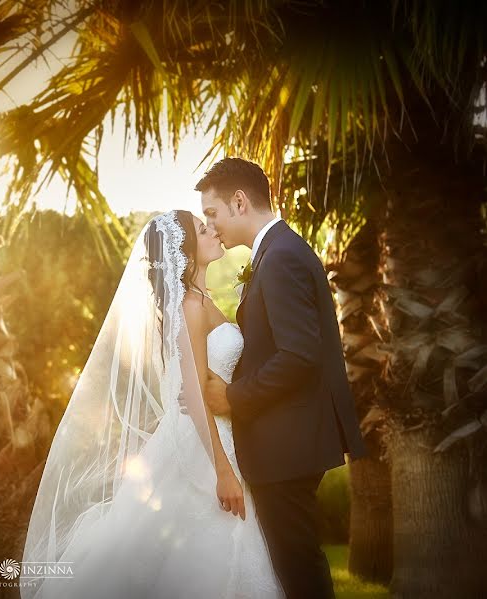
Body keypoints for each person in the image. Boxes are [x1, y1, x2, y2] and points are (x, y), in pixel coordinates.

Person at [20, 207, 284, 599]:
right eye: (201, 228)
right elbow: (193, 395)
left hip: (220, 433)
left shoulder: (203, 300)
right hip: (203, 444)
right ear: (186, 251)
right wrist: (223, 471)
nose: (212, 230)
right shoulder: (189, 308)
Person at [198, 157, 368, 599]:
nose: (211, 226)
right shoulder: (279, 252)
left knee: (299, 570)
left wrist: (234, 398)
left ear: (239, 202)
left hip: (287, 445)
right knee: (295, 566)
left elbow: (298, 356)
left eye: (212, 213)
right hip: (288, 441)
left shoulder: (280, 259)